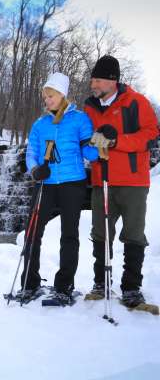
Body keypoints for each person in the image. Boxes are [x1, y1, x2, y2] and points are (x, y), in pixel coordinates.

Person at [84, 55, 159, 307]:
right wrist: (93, 142)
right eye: (92, 79)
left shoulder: (137, 103)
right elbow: (86, 139)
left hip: (133, 182)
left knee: (133, 234)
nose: (92, 84)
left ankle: (131, 288)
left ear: (112, 81)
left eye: (97, 79)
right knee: (100, 234)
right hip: (100, 180)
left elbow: (151, 136)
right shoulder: (90, 108)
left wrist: (118, 141)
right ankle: (100, 283)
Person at [19, 72, 98, 306]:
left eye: (50, 96)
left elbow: (91, 153)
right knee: (32, 232)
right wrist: (34, 170)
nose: (47, 100)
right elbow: (31, 152)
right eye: (45, 96)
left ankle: (64, 286)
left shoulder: (79, 120)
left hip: (73, 183)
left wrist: (102, 141)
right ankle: (29, 283)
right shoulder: (40, 124)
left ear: (62, 94)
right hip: (46, 183)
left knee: (69, 235)